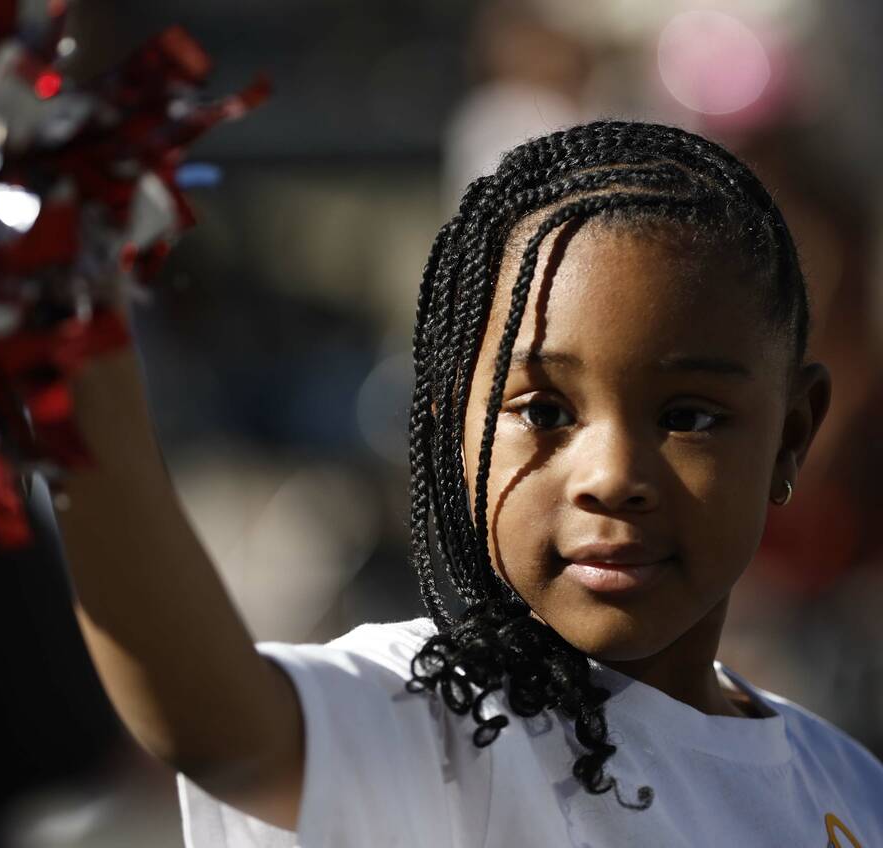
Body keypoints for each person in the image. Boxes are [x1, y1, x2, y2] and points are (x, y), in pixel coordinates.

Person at [57, 121, 883, 846]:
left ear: (792, 434)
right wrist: (69, 360)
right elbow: (211, 725)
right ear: (459, 426)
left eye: (690, 418)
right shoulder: (442, 723)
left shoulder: (849, 787)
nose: (614, 478)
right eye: (545, 410)